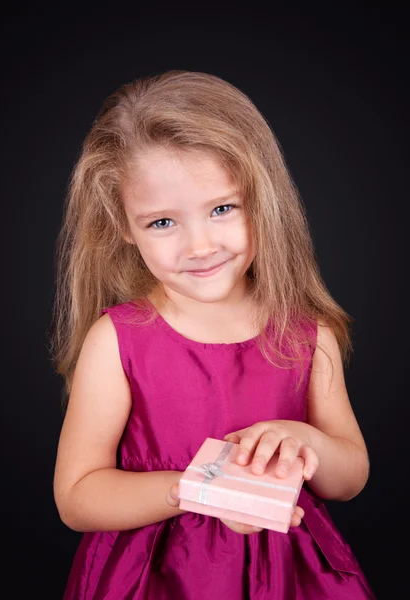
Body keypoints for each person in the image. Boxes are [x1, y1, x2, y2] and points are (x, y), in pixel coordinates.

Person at [51, 69, 375, 599]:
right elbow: (78, 497)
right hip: (153, 578)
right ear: (123, 228)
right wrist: (199, 492)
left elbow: (349, 477)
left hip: (290, 575)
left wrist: (308, 442)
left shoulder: (306, 334)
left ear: (261, 201)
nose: (199, 246)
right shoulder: (116, 340)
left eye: (222, 209)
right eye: (162, 222)